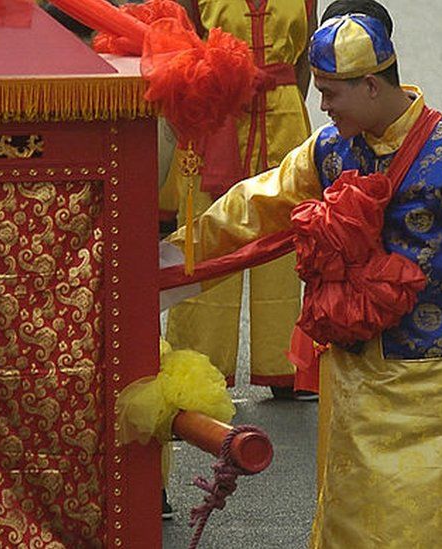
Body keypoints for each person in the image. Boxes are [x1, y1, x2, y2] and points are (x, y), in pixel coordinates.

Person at [167, 4, 442, 546]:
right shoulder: (330, 151)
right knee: (353, 527)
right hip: (358, 388)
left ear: (369, 86)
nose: (320, 105)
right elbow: (254, 206)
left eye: (330, 92)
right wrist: (167, 261)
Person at [163, 0, 317, 399]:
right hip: (216, 121)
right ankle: (196, 366)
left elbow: (303, 62)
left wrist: (282, 98)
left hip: (283, 120)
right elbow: (180, 50)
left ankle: (285, 367)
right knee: (206, 240)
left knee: (286, 242)